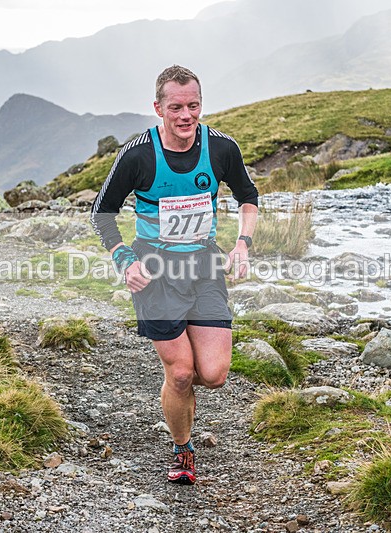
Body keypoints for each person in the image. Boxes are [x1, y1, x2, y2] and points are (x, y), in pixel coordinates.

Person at [90, 65, 258, 485]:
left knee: (213, 375)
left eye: (194, 105)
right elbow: (101, 212)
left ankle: (178, 395)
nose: (186, 115)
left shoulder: (221, 148)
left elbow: (249, 197)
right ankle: (183, 449)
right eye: (177, 107)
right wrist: (123, 259)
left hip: (203, 264)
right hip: (155, 270)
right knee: (181, 372)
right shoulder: (137, 154)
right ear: (159, 108)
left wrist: (242, 243)